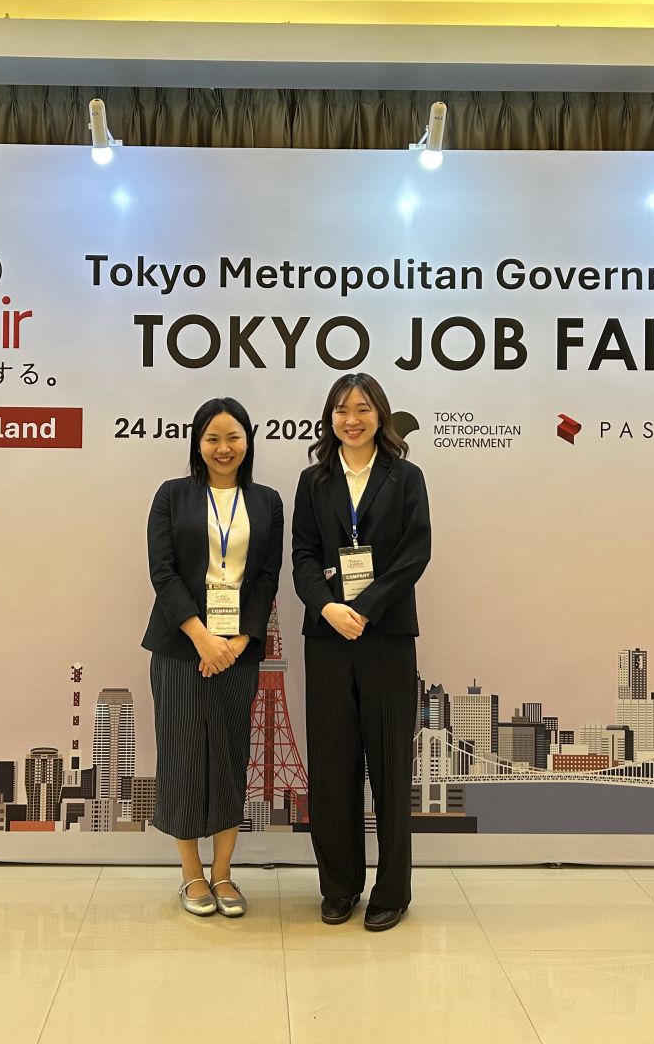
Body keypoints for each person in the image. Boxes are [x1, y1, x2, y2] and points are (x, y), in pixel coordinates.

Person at [291, 372, 430, 932]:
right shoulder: (313, 480)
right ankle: (338, 885)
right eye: (342, 409)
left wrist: (365, 607)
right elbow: (302, 555)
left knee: (390, 766)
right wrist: (328, 608)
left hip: (386, 636)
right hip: (327, 638)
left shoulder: (406, 476)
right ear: (330, 418)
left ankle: (392, 891)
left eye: (363, 409)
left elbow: (415, 552)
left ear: (381, 416)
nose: (352, 419)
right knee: (332, 766)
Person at [142, 396, 283, 917]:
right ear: (197, 444)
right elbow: (162, 572)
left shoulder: (268, 501)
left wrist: (241, 640)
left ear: (248, 442)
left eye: (233, 437)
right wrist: (201, 637)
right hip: (182, 647)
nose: (224, 448)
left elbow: (266, 576)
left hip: (238, 651)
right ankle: (191, 875)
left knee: (228, 758)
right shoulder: (172, 495)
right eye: (213, 438)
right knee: (182, 758)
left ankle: (223, 873)